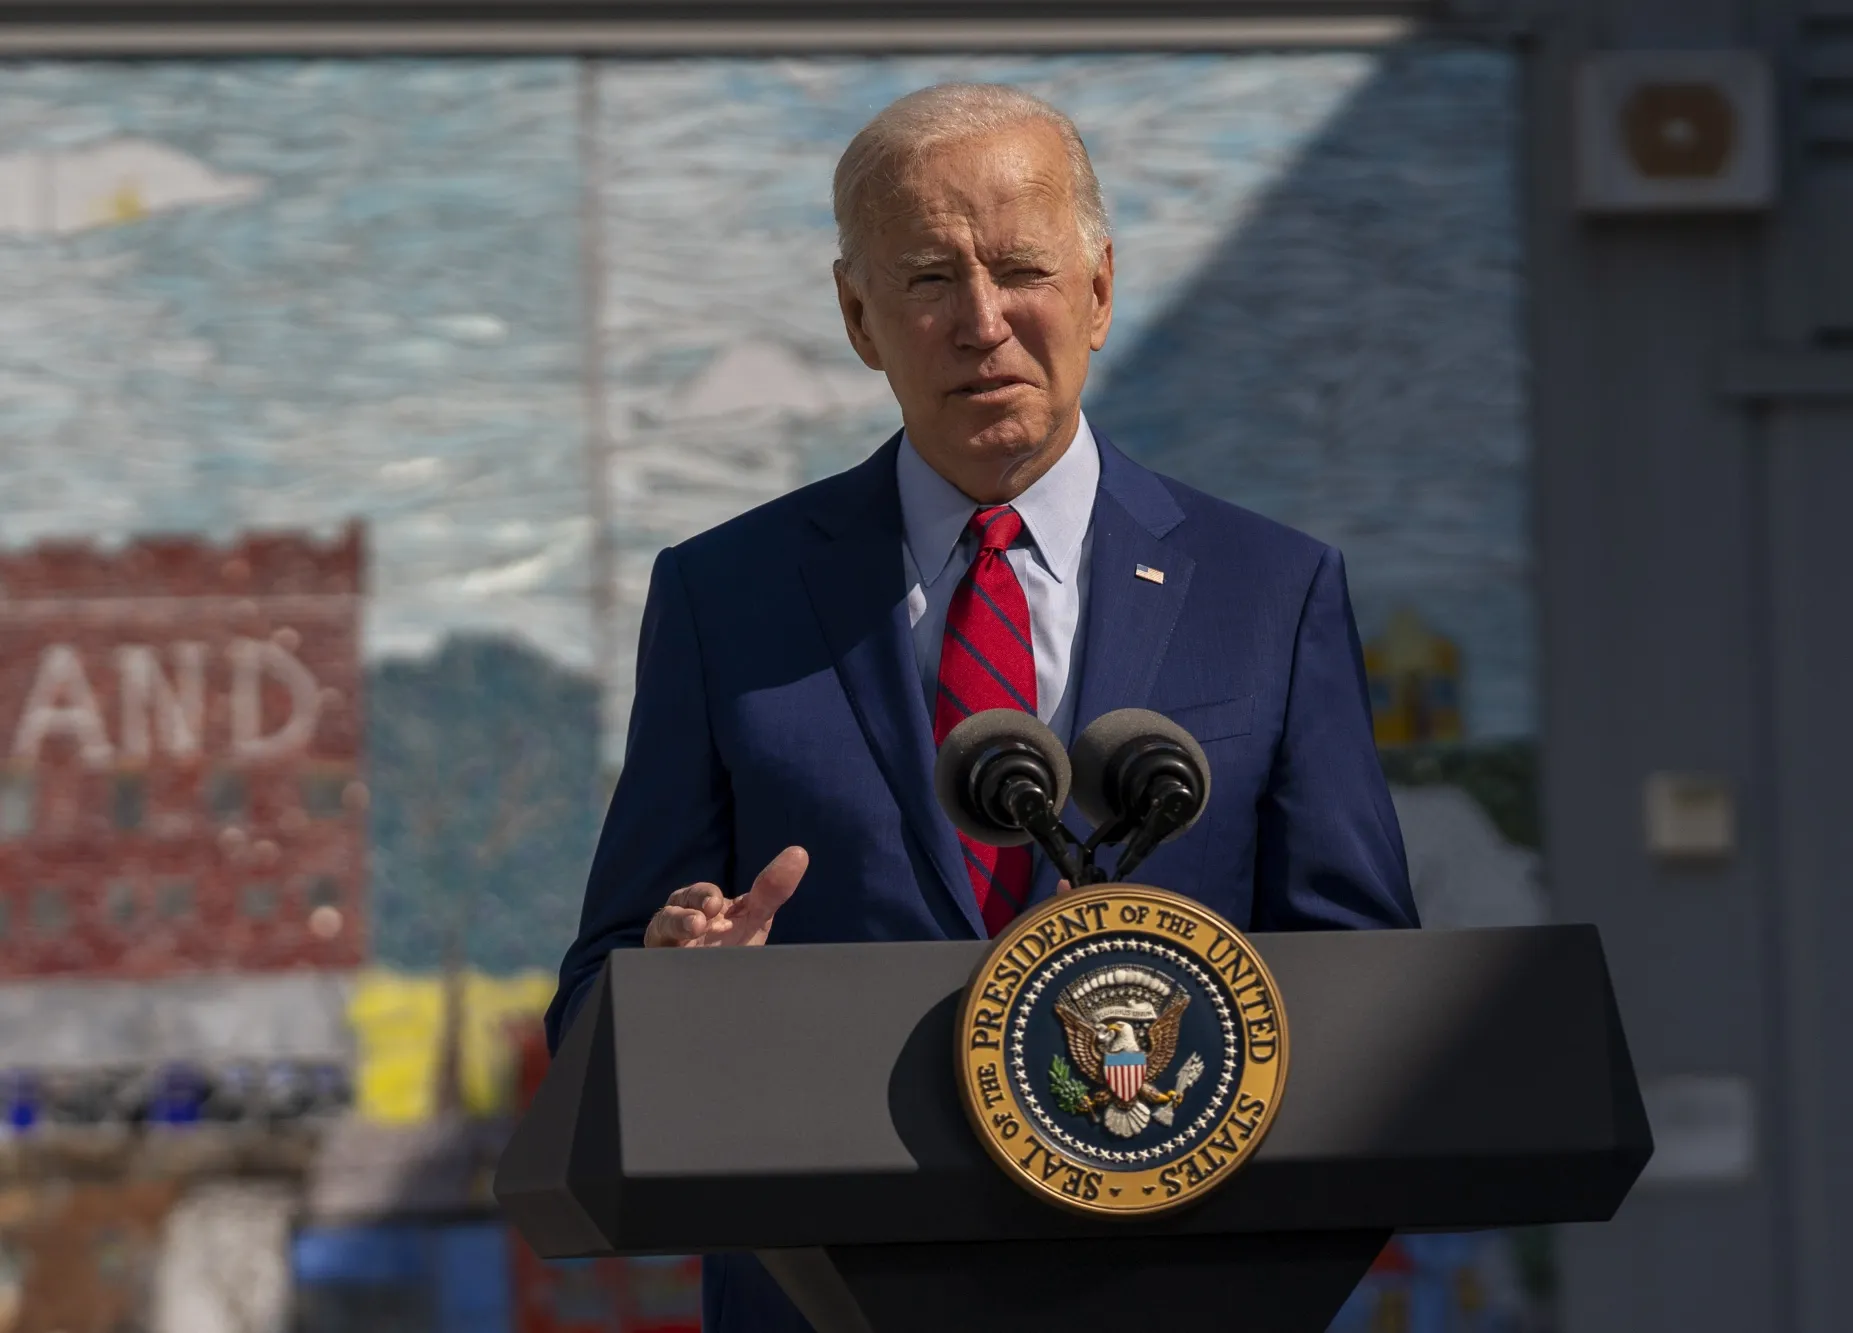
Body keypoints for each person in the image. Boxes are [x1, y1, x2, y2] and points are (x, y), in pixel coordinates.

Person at [548, 82, 1418, 1333]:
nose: (982, 322)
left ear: (1100, 290)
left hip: (1170, 1290)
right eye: (926, 280)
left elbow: (1365, 984)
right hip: (825, 1293)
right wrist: (673, 986)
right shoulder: (722, 597)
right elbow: (593, 994)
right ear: (857, 316)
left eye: (1020, 269)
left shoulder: (1267, 591)